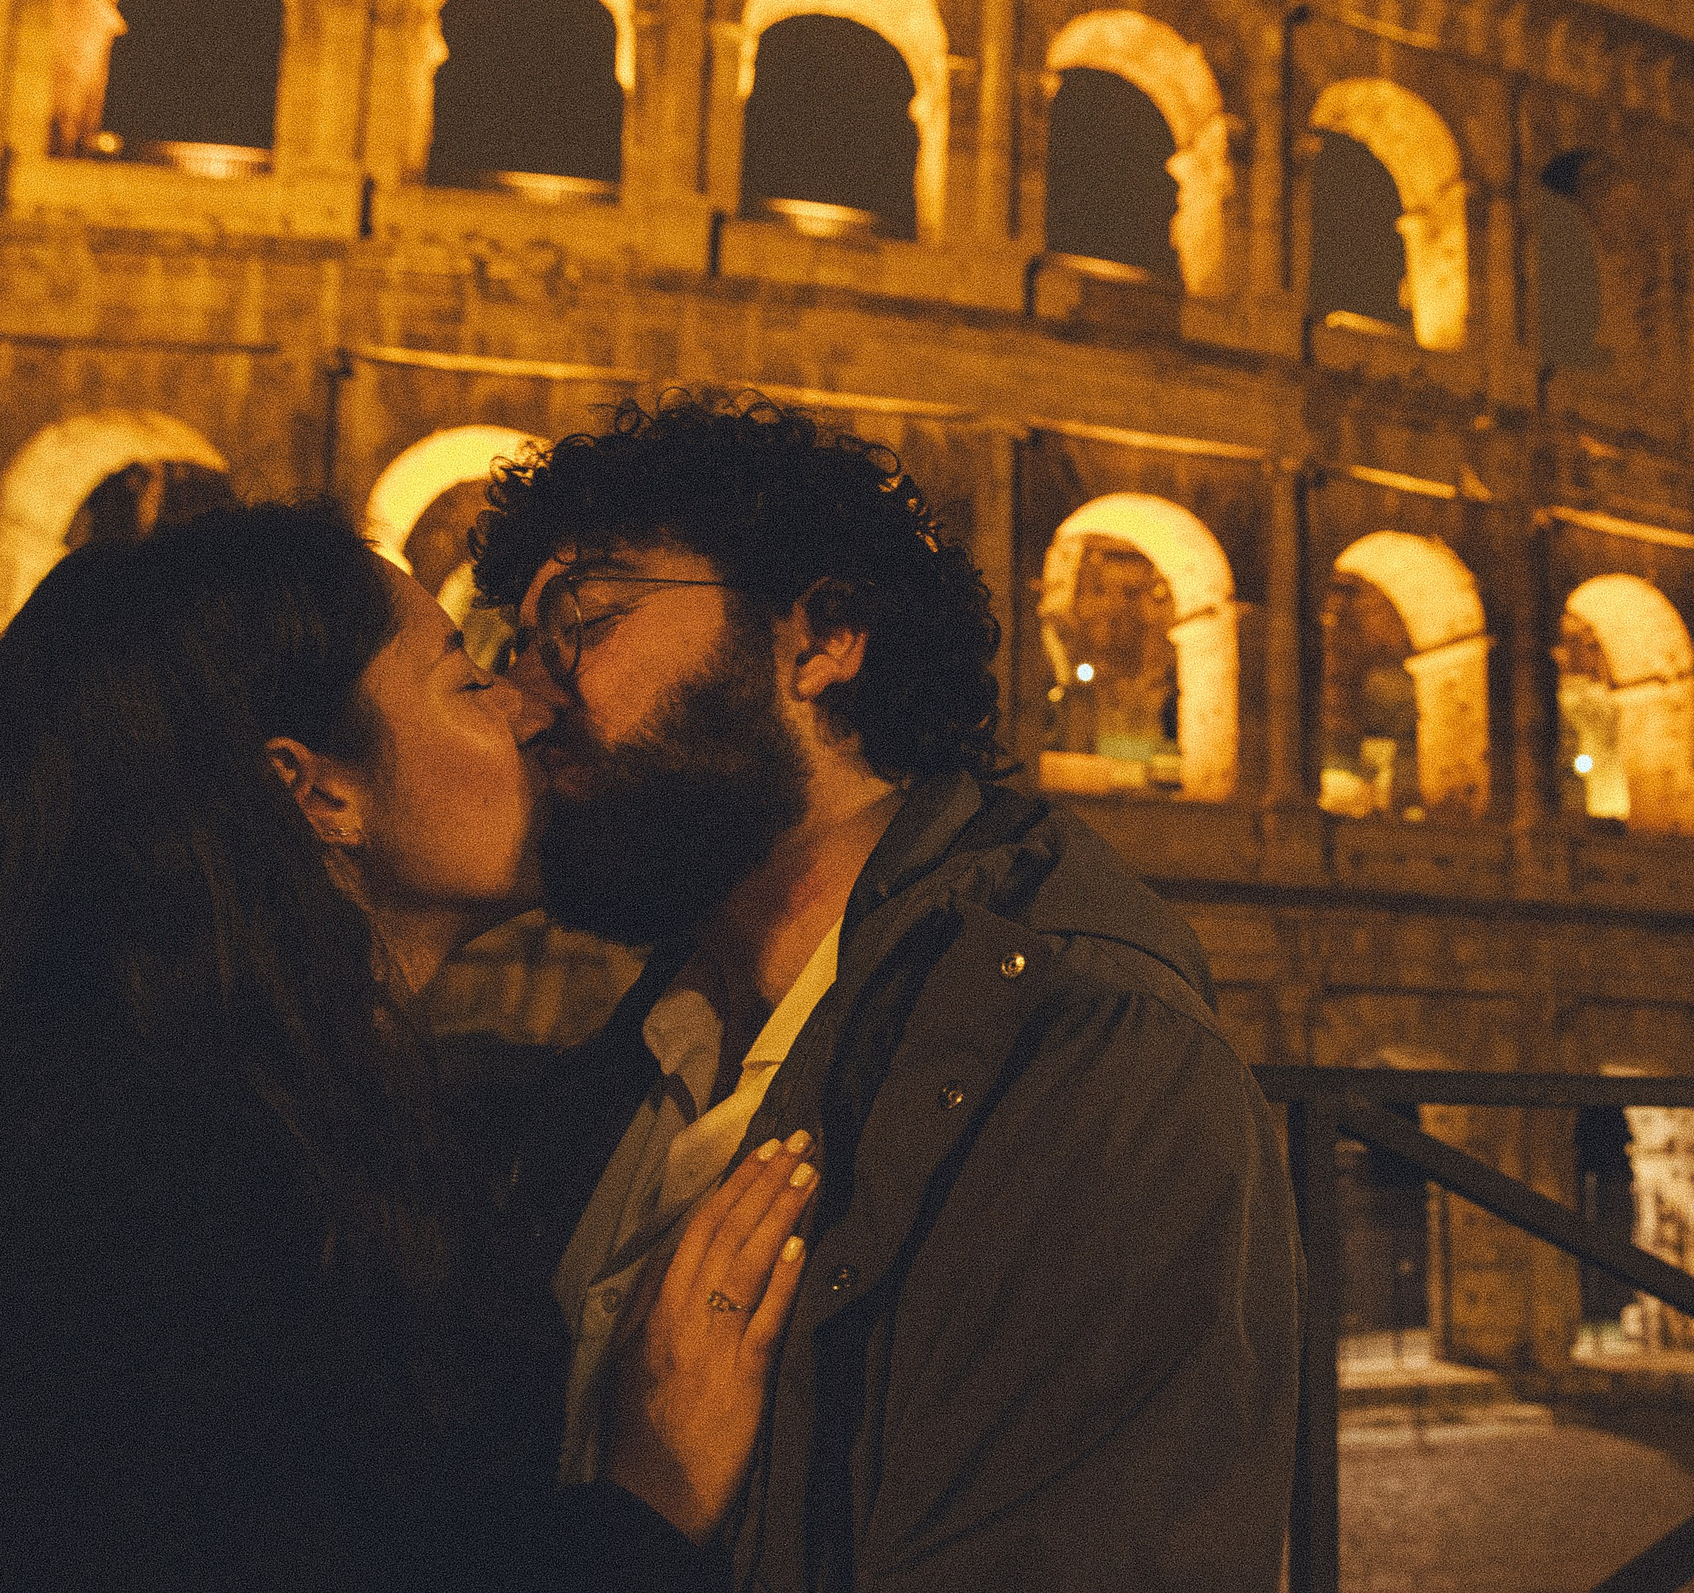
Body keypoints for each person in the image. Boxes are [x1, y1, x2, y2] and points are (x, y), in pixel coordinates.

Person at [0, 501, 816, 1590]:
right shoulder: (139, 1192)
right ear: (317, 787)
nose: (530, 707)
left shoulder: (137, 1106)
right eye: (467, 675)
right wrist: (648, 1499)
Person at [466, 395, 1301, 1592]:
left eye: (582, 624)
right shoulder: (641, 1048)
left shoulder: (1095, 1051)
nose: (527, 700)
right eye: (512, 651)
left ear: (819, 640)